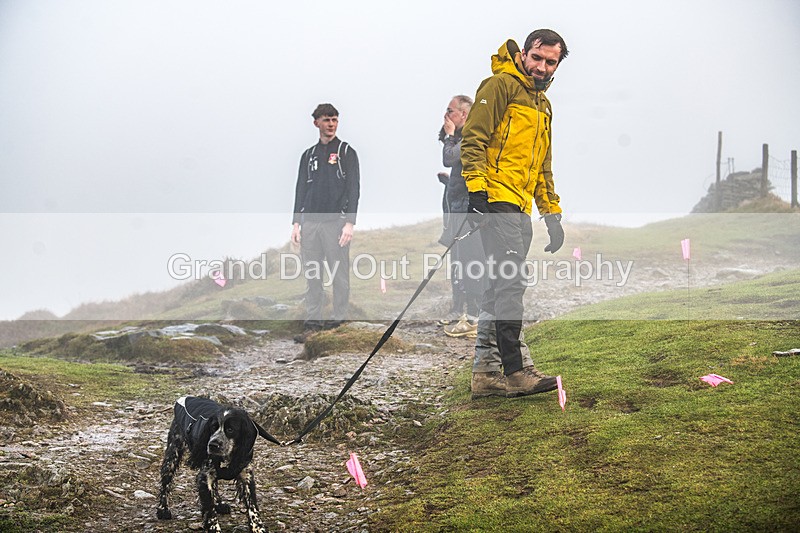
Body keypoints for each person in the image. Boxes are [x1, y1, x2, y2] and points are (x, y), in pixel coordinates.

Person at [461, 29, 568, 398]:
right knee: (511, 282)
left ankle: (486, 375)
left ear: (557, 64)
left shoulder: (544, 106)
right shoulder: (499, 85)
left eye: (550, 62)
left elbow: (543, 165)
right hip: (496, 199)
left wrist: (551, 213)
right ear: (524, 53)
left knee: (497, 287)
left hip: (521, 205)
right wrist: (476, 189)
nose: (541, 67)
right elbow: (473, 139)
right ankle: (517, 370)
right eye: (536, 58)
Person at [291, 103, 360, 341]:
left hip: (336, 223)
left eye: (334, 120)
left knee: (339, 272)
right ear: (316, 123)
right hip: (310, 222)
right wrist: (296, 223)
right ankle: (313, 322)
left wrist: (350, 223)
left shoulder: (346, 152)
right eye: (326, 120)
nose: (331, 124)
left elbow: (354, 189)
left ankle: (339, 320)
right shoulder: (308, 155)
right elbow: (300, 189)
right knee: (313, 273)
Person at [438, 95, 483, 338]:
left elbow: (449, 157)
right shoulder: (463, 135)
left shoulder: (471, 135)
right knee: (460, 261)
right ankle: (463, 312)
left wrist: (450, 134)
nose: (446, 116)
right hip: (457, 205)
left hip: (468, 207)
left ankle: (475, 319)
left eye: (450, 111)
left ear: (463, 115)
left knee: (471, 260)